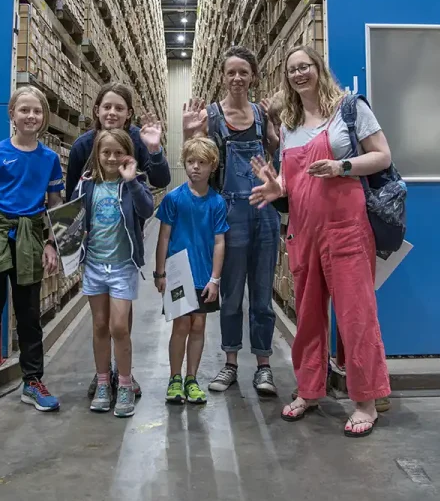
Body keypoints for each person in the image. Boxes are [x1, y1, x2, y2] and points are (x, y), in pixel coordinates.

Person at [250, 45, 391, 437]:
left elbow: (382, 155)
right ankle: (310, 390)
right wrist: (274, 187)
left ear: (318, 69)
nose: (299, 75)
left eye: (305, 67)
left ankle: (366, 400)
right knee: (308, 316)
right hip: (303, 229)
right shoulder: (291, 124)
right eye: (292, 70)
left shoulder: (349, 108)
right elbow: (290, 182)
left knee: (355, 315)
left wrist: (342, 165)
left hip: (346, 227)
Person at [182, 46, 281, 396]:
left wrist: (275, 135)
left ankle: (264, 366)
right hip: (229, 215)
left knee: (262, 295)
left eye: (243, 72)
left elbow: (280, 161)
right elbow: (196, 165)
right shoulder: (211, 116)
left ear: (253, 76)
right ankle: (230, 364)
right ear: (223, 77)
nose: (237, 78)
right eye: (231, 72)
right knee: (231, 293)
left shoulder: (262, 113)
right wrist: (189, 134)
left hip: (264, 213)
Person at [65, 82, 170, 400]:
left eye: (119, 108)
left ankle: (125, 374)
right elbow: (72, 203)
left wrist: (154, 150)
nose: (111, 112)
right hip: (97, 250)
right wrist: (68, 249)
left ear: (128, 114)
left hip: (125, 246)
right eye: (106, 106)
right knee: (100, 322)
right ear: (96, 110)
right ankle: (103, 374)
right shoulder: (84, 146)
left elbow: (160, 181)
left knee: (121, 321)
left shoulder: (137, 140)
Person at [0, 86, 63, 412]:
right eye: (24, 110)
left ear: (44, 117)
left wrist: (52, 242)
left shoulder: (49, 159)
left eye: (37, 111)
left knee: (30, 314)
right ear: (12, 114)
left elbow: (56, 204)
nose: (31, 116)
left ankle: (32, 381)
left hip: (30, 236)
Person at [71, 128, 153, 418]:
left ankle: (126, 383)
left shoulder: (134, 184)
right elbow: (72, 219)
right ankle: (103, 381)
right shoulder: (86, 185)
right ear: (97, 154)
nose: (111, 157)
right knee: (99, 326)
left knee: (120, 326)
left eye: (118, 152)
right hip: (94, 265)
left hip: (122, 267)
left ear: (127, 156)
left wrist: (131, 181)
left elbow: (147, 210)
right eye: (106, 152)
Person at [154, 137, 228, 405]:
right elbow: (163, 237)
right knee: (181, 325)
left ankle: (192, 379)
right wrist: (160, 272)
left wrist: (215, 279)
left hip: (204, 273)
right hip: (177, 271)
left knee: (199, 326)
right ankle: (175, 378)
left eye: (202, 162)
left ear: (212, 166)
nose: (195, 167)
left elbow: (220, 242)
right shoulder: (174, 199)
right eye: (190, 161)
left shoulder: (217, 203)